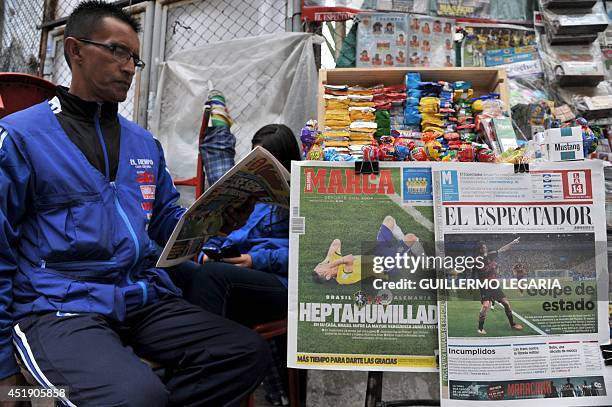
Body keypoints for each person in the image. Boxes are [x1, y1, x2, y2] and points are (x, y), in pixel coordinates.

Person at [0, 2, 269, 406]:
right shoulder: (21, 138)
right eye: (117, 51)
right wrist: (3, 368)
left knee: (246, 353)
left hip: (137, 298)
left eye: (135, 58)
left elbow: (165, 223)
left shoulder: (144, 144)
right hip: (57, 307)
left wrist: (218, 221)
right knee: (137, 395)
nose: (129, 66)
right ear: (75, 50)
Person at [168, 123, 300, 406]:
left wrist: (256, 260)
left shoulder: (303, 197)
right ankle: (190, 366)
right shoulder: (256, 198)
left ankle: (201, 373)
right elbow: (238, 234)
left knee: (213, 277)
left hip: (281, 284)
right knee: (177, 269)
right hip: (240, 275)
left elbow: (308, 253)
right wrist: (212, 246)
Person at [313, 216, 423, 284]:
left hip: (377, 252)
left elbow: (336, 242)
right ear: (328, 276)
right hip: (385, 265)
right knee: (411, 237)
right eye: (321, 269)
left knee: (389, 220)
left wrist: (326, 259)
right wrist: (330, 263)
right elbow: (349, 259)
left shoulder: (332, 263)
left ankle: (404, 246)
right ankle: (420, 257)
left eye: (319, 265)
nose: (322, 265)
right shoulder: (343, 278)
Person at [472, 239, 523, 335]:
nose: (485, 248)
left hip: (494, 285)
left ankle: (512, 324)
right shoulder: (477, 261)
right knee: (485, 306)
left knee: (506, 303)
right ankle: (480, 328)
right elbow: (477, 274)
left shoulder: (491, 255)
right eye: (483, 248)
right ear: (479, 250)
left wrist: (513, 242)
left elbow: (502, 249)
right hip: (485, 286)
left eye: (485, 247)